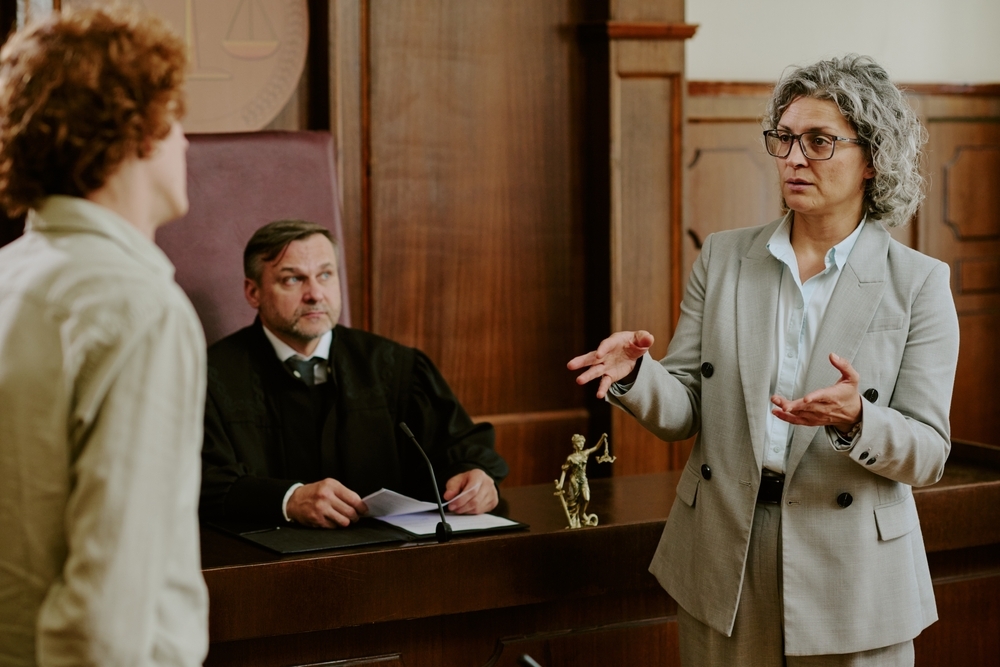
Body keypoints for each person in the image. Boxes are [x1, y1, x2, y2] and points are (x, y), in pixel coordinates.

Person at [568, 55, 958, 666]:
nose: (794, 158)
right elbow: (684, 410)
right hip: (726, 552)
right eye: (784, 138)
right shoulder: (723, 258)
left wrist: (858, 420)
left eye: (820, 141)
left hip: (852, 569)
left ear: (873, 159)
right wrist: (638, 377)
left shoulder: (919, 283)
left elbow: (930, 453)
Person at [0, 7, 208, 666]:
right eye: (175, 119)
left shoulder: (10, 277)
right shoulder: (141, 309)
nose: (186, 143)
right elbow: (104, 617)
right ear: (137, 131)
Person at [200, 219, 508, 528]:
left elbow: (458, 446)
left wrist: (476, 475)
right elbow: (198, 482)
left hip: (389, 559)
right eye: (293, 279)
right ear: (253, 292)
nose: (315, 294)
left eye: (325, 275)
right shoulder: (210, 378)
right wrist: (288, 500)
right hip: (259, 565)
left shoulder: (393, 366)